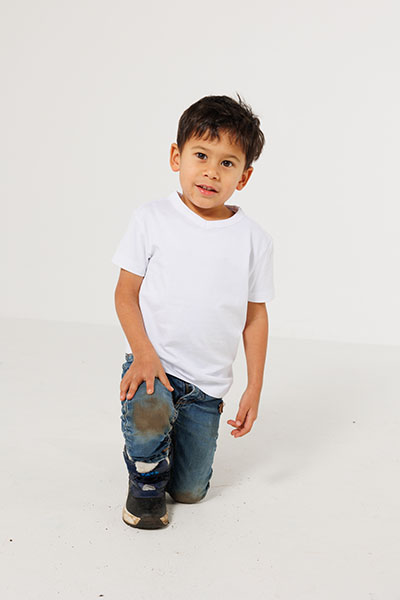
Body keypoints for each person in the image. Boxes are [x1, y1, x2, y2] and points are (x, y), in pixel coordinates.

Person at [112, 93, 275, 530]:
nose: (211, 171)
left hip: (206, 388)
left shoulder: (254, 240)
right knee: (149, 411)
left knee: (190, 492)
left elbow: (255, 317)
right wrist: (143, 353)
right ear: (176, 156)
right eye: (201, 155)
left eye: (227, 163)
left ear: (244, 176)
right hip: (155, 365)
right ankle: (145, 474)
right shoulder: (151, 218)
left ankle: (162, 454)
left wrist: (254, 386)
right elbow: (126, 293)